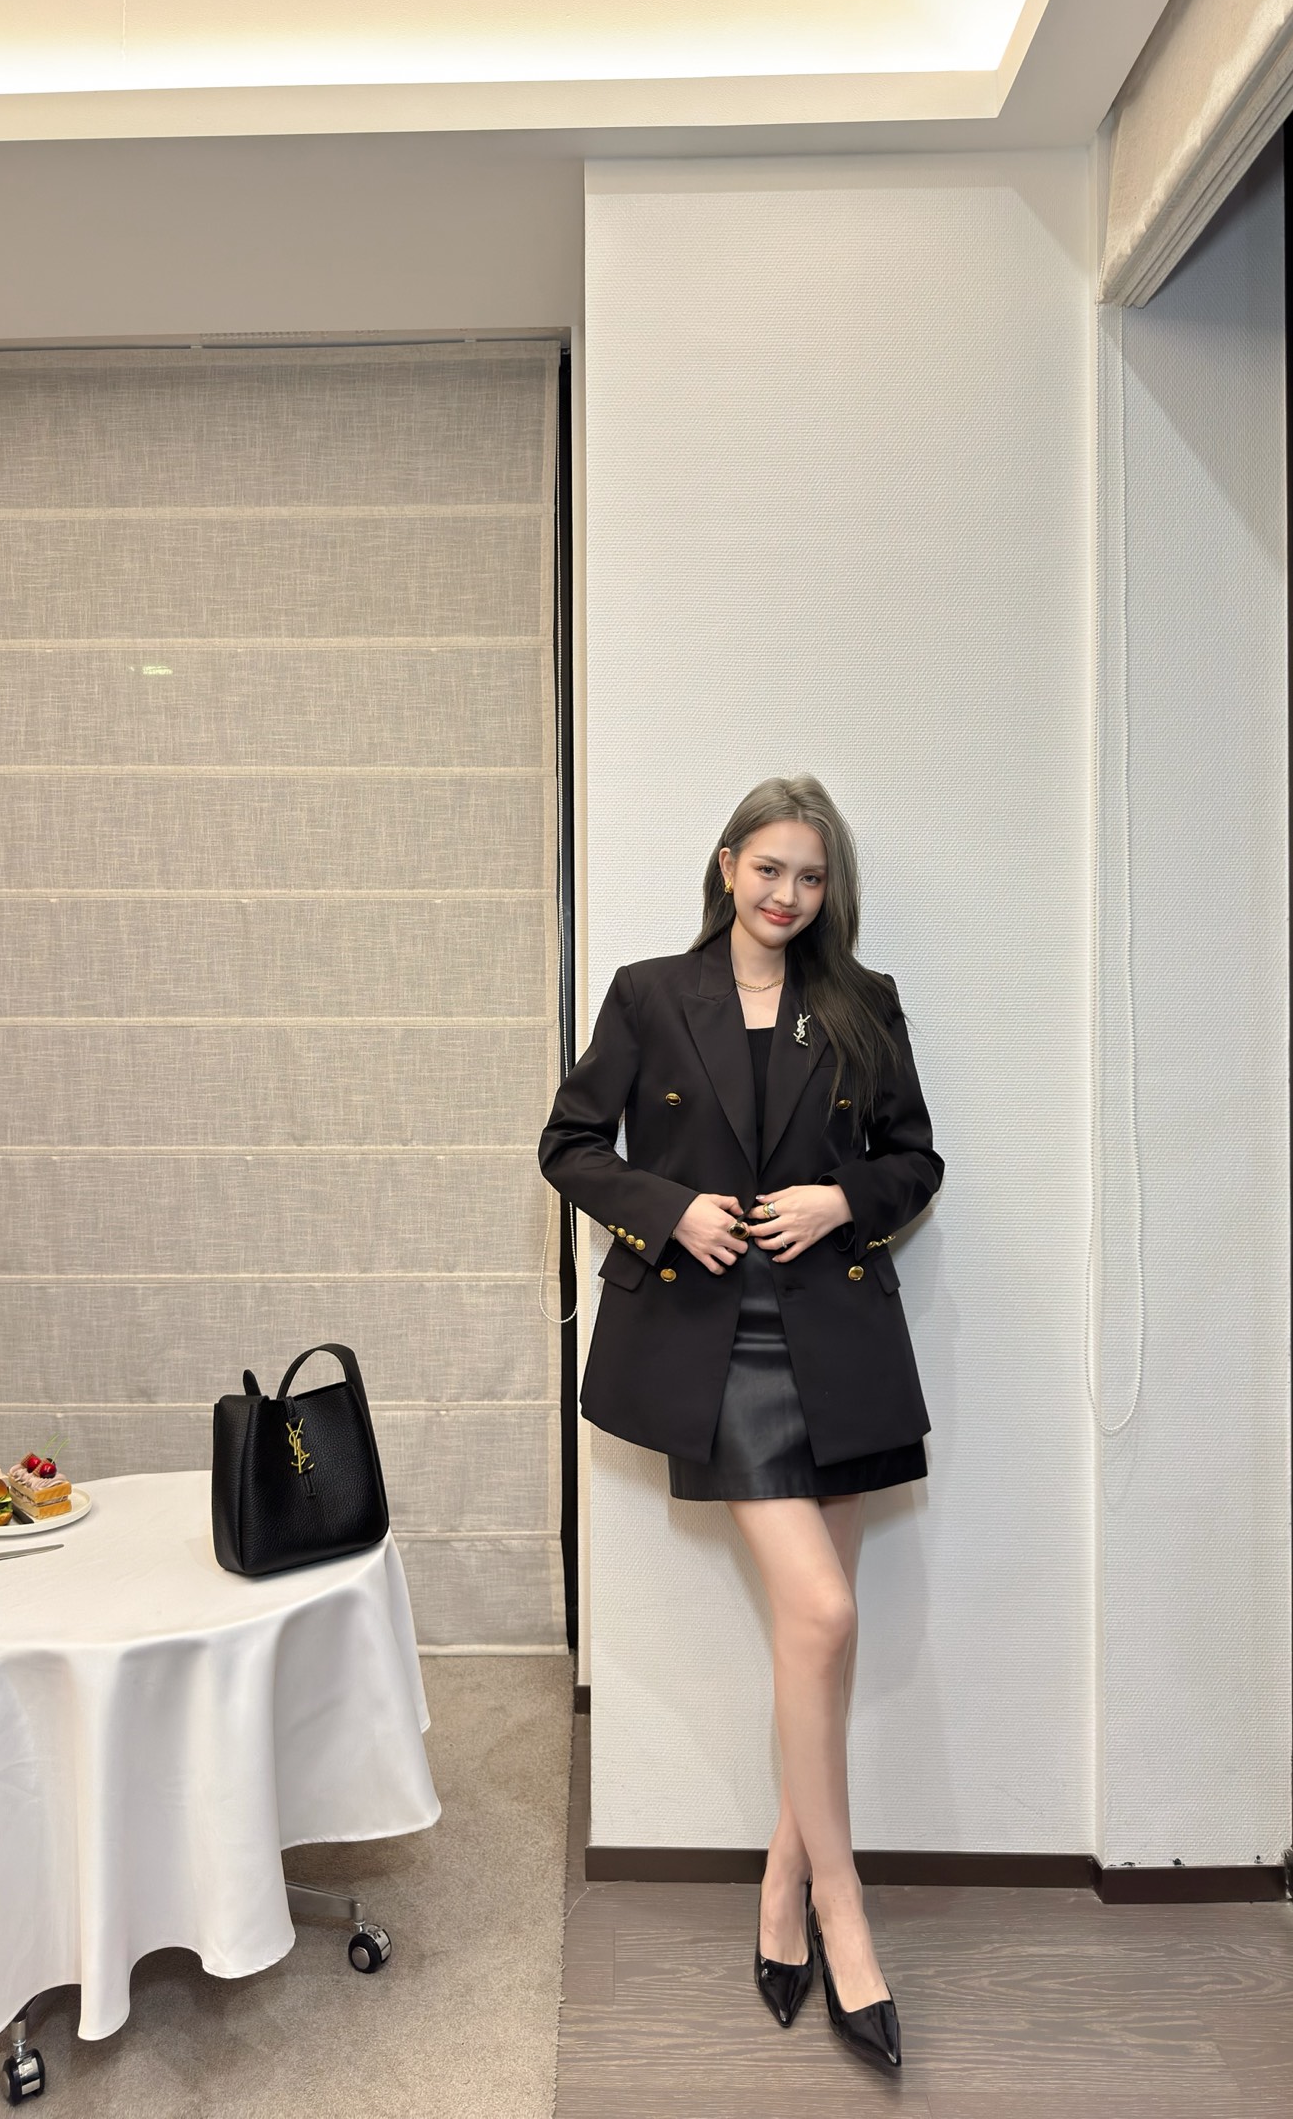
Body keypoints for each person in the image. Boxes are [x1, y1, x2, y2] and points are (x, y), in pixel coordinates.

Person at [537, 772, 944, 2079]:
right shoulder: (653, 995)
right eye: (769, 868)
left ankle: (781, 1883)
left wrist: (841, 1199)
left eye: (811, 877)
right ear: (727, 867)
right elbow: (569, 1143)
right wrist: (669, 1209)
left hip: (841, 1344)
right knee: (821, 1616)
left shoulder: (862, 1003)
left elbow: (915, 1160)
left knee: (816, 1642)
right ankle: (844, 1908)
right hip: (718, 1348)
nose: (789, 895)